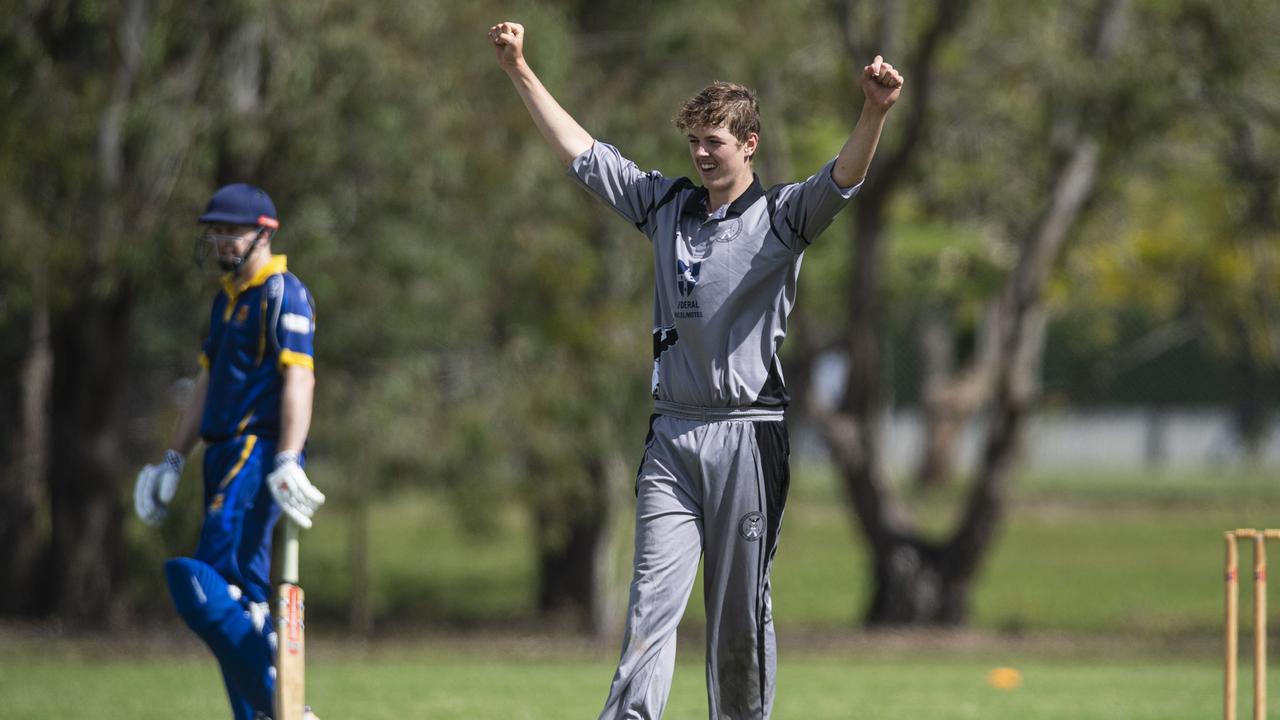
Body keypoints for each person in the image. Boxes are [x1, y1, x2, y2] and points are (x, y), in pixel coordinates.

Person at [489, 20, 903, 720]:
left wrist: (874, 110)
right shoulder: (666, 208)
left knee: (737, 624)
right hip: (673, 438)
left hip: (748, 435)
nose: (703, 154)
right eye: (695, 142)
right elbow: (583, 154)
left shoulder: (780, 217)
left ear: (749, 143)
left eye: (716, 141)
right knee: (649, 608)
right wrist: (519, 68)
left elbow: (844, 178)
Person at [133, 183, 326, 720]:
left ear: (264, 232)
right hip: (220, 457)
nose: (221, 240)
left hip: (256, 454)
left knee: (197, 582)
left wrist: (288, 456)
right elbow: (205, 386)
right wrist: (173, 458)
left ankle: (286, 706)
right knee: (239, 600)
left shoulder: (282, 292)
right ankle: (264, 710)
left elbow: (299, 380)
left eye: (231, 230)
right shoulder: (226, 300)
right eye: (215, 231)